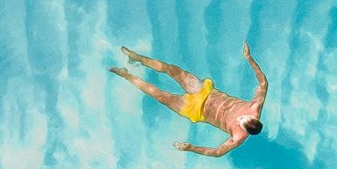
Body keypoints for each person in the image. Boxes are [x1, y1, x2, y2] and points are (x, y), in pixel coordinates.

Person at [113, 43, 267, 156]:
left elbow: (217, 152)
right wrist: (249, 58)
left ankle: (125, 75)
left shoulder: (238, 137)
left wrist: (190, 148)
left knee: (158, 94)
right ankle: (136, 57)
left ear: (244, 131)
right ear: (252, 117)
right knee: (170, 69)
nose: (239, 120)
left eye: (240, 124)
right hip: (205, 91)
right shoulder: (254, 106)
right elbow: (263, 83)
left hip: (196, 110)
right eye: (242, 118)